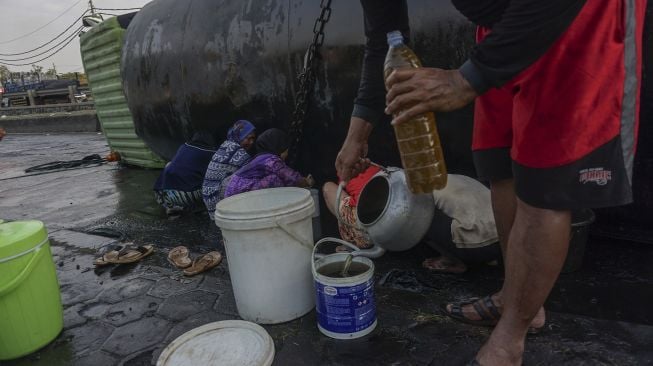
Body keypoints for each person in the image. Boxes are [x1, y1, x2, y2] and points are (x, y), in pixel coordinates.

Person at [337, 1, 646, 365]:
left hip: (580, 18)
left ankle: (509, 341)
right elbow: (385, 41)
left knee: (543, 185)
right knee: (499, 162)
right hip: (509, 24)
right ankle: (513, 299)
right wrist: (358, 131)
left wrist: (466, 79)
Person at [324, 167, 500, 272]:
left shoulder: (393, 189)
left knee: (416, 215)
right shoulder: (409, 174)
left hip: (475, 243)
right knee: (423, 210)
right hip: (503, 239)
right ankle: (472, 257)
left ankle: (454, 260)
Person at [224, 128, 314, 198]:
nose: (287, 154)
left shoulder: (261, 158)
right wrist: (306, 182)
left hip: (232, 193)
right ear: (279, 146)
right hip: (238, 195)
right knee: (275, 180)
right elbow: (290, 176)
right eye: (286, 150)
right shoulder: (271, 160)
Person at [202, 120, 256, 220]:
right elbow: (254, 172)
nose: (251, 142)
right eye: (247, 138)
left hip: (209, 198)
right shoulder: (238, 152)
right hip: (218, 203)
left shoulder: (226, 144)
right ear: (239, 135)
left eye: (253, 138)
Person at [153, 132, 216, 217]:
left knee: (169, 164)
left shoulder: (183, 146)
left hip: (160, 194)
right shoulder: (208, 152)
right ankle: (196, 207)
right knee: (213, 178)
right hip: (186, 196)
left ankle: (171, 206)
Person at [322, 165, 381, 249]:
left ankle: (350, 240)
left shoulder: (345, 173)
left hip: (364, 235)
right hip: (391, 230)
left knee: (327, 187)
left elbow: (342, 187)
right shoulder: (377, 168)